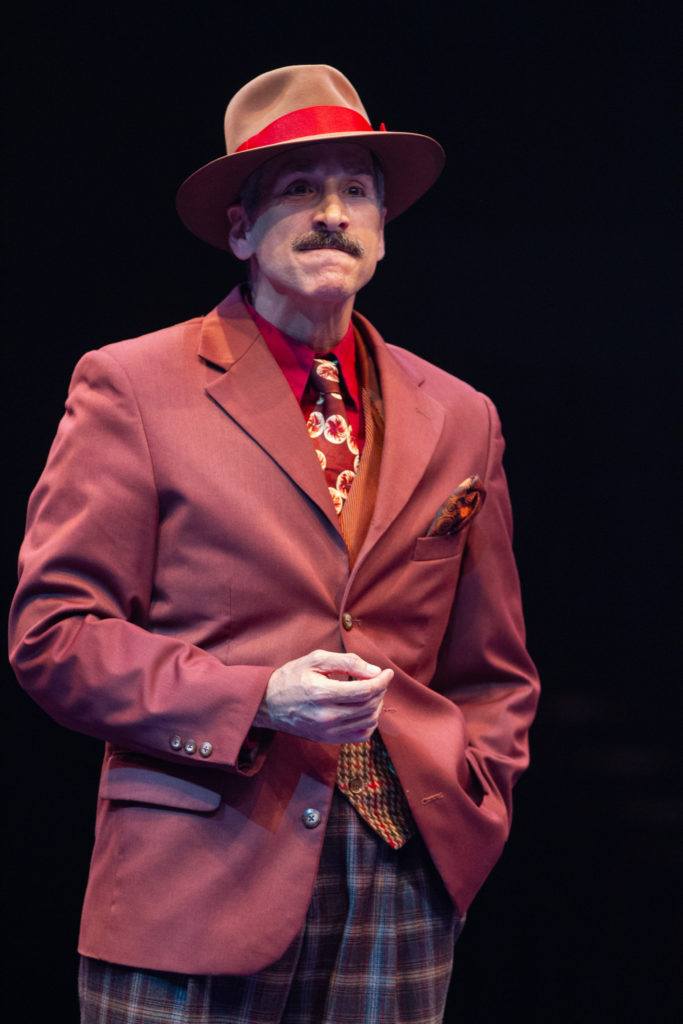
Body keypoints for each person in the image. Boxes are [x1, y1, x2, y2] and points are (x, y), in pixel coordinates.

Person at [9, 64, 540, 1024]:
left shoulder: (461, 416)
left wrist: (473, 799)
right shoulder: (132, 385)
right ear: (241, 230)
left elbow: (492, 664)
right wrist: (258, 698)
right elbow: (56, 636)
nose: (332, 212)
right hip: (197, 869)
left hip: (400, 870)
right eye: (299, 188)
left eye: (355, 191)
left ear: (380, 230)